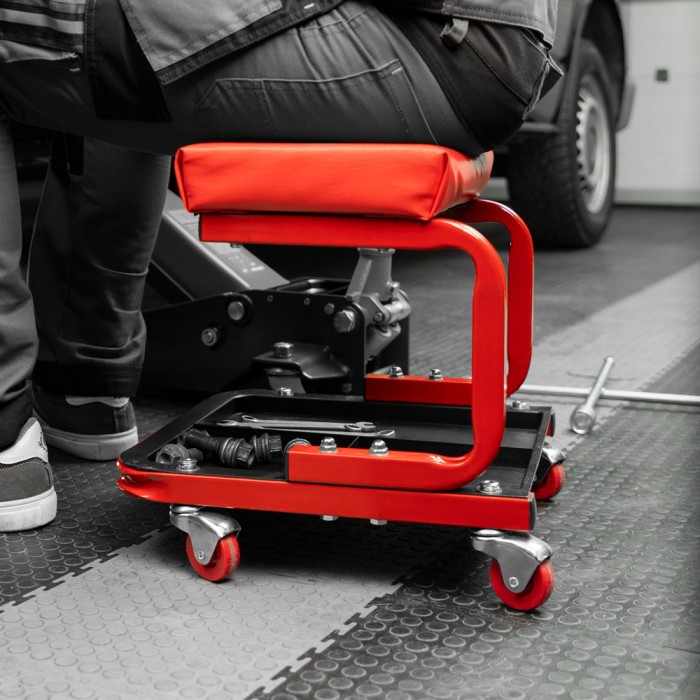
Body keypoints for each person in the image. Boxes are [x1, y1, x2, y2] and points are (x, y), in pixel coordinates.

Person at [0, 0, 560, 532]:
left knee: (109, 46)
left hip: (429, 43)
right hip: (484, 42)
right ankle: (86, 386)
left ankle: (9, 430)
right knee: (110, 44)